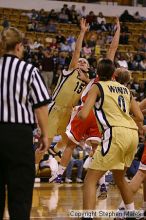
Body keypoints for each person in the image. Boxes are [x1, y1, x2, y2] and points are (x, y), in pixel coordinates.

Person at [49, 18, 120, 192]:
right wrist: (118, 30)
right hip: (99, 116)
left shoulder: (93, 81)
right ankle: (102, 183)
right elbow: (112, 49)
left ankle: (59, 173)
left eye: (85, 62)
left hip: (84, 112)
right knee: (97, 149)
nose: (81, 62)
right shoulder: (104, 82)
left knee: (71, 145)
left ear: (95, 69)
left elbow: (109, 51)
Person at [78, 58, 143, 219]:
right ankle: (131, 213)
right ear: (113, 74)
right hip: (132, 134)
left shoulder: (97, 86)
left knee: (90, 180)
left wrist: (77, 112)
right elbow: (140, 116)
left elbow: (84, 114)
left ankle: (87, 217)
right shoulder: (125, 89)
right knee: (119, 178)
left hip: (115, 134)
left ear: (98, 74)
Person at [0, 27, 50, 220]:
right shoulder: (29, 70)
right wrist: (45, 135)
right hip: (18, 136)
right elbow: (41, 106)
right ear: (19, 46)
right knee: (19, 195)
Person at [47, 18, 90, 157]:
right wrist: (82, 32)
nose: (82, 62)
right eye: (80, 61)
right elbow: (77, 50)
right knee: (45, 142)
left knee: (69, 140)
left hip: (68, 111)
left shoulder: (89, 83)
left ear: (89, 68)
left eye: (85, 62)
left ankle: (54, 152)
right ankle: (35, 163)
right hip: (56, 107)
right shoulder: (72, 69)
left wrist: (87, 80)